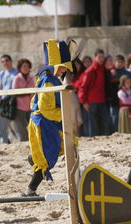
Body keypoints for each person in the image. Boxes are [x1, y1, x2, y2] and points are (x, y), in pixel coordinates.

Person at [22, 39, 77, 197]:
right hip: (45, 122)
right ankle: (30, 190)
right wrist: (63, 114)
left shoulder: (49, 79)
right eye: (62, 68)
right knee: (47, 157)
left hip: (47, 122)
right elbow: (46, 108)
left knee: (62, 146)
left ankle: (34, 159)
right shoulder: (48, 81)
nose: (63, 71)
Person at [78, 49, 110, 137]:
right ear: (95, 57)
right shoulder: (90, 71)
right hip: (92, 101)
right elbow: (83, 87)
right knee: (93, 124)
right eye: (99, 57)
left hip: (102, 100)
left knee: (105, 121)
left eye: (102, 57)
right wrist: (84, 102)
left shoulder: (103, 69)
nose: (101, 59)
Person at [0, 54, 18, 144]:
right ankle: (4, 143)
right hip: (3, 100)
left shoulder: (17, 72)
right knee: (2, 123)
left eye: (6, 60)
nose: (5, 63)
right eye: (3, 61)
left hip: (13, 100)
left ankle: (19, 142)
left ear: (10, 61)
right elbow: (0, 86)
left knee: (15, 123)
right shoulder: (2, 73)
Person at [11, 58, 34, 142]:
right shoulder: (16, 78)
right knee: (22, 130)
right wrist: (27, 93)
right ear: (20, 68)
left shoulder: (31, 78)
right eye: (24, 66)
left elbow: (33, 91)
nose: (26, 68)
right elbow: (15, 92)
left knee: (32, 127)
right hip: (19, 107)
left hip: (30, 107)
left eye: (27, 66)